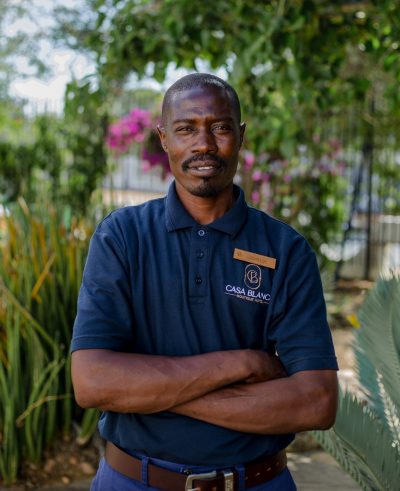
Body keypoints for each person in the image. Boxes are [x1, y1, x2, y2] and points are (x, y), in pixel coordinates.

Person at [71, 73, 339, 491]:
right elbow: (92, 382)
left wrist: (154, 394)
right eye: (186, 129)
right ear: (164, 138)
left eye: (220, 127)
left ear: (241, 136)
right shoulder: (122, 237)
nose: (204, 145)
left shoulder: (286, 249)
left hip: (256, 483)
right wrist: (243, 364)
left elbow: (317, 403)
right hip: (133, 481)